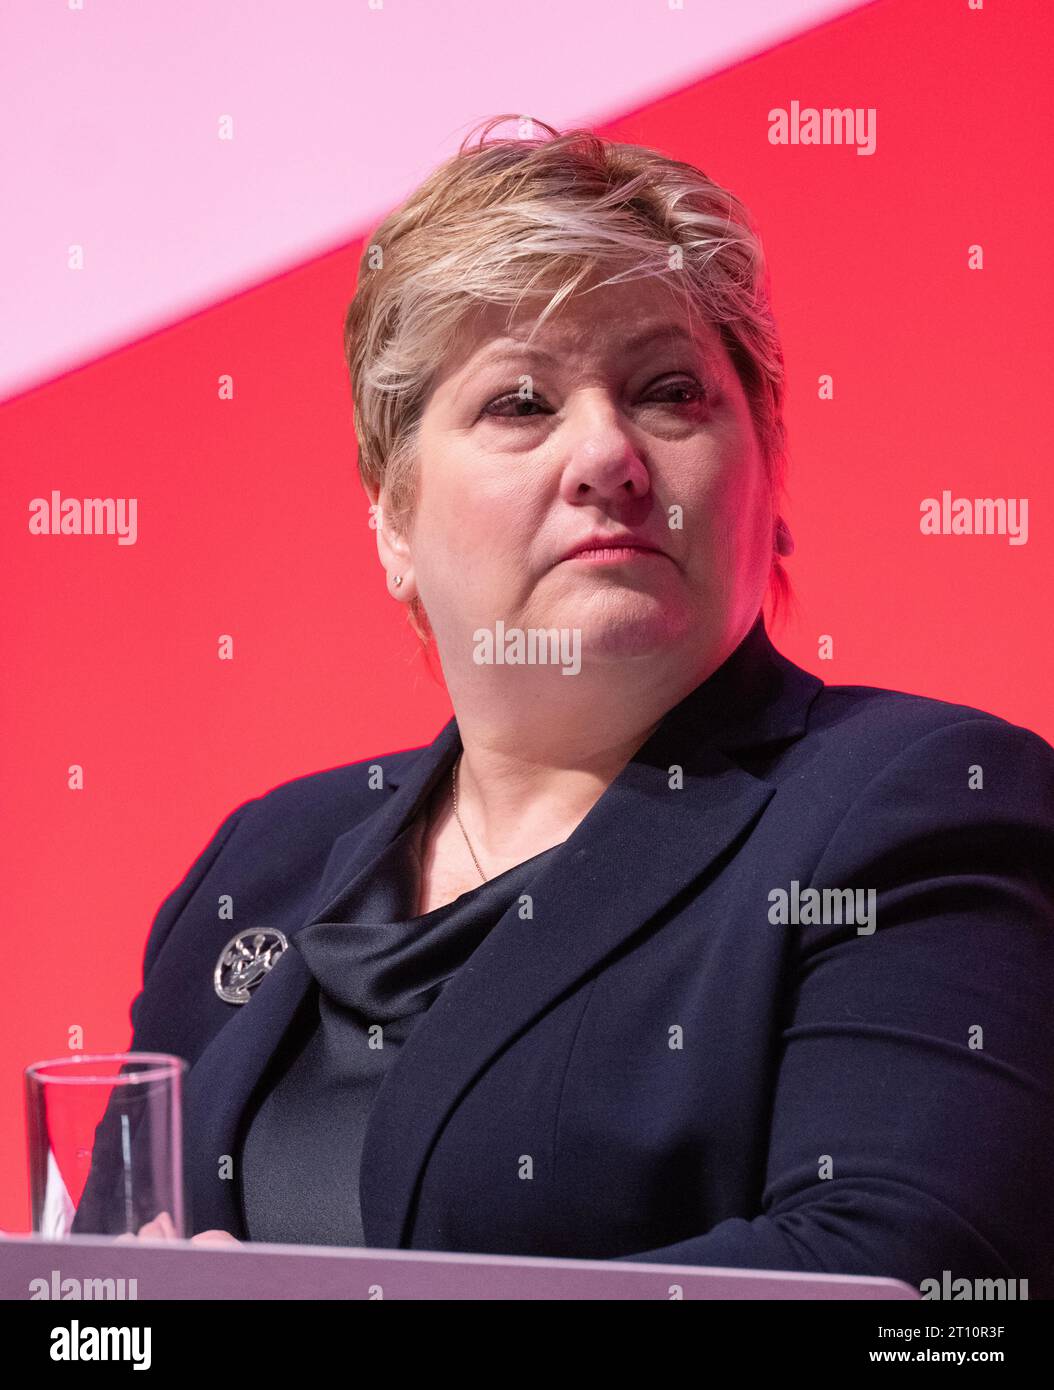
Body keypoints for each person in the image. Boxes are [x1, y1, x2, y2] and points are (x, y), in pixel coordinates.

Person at [82, 116, 1054, 1292]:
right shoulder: (264, 859)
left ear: (768, 471)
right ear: (394, 521)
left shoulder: (916, 803)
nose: (606, 452)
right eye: (521, 403)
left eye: (667, 390)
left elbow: (909, 1281)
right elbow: (98, 1294)